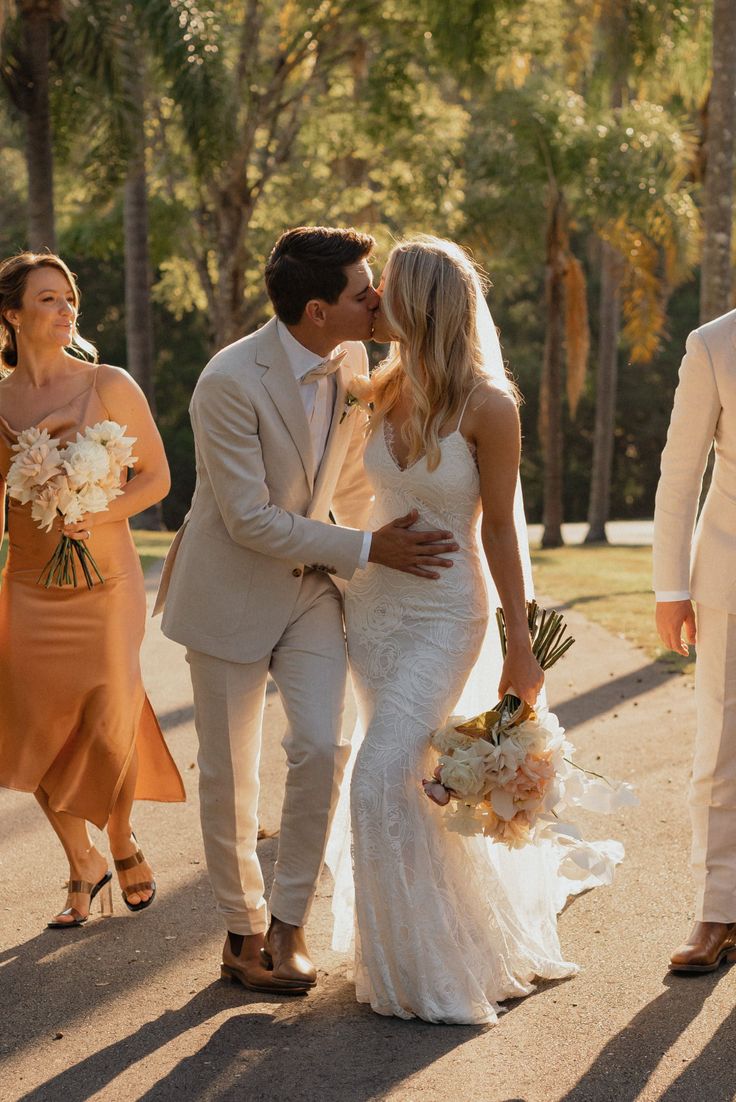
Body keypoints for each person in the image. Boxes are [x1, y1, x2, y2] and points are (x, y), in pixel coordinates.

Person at [155, 226, 459, 995]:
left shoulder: (353, 355)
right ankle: (241, 931)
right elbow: (250, 518)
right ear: (318, 310)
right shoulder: (227, 381)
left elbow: (348, 481)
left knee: (322, 747)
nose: (378, 300)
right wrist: (368, 549)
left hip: (312, 590)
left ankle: (290, 924)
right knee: (230, 775)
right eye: (365, 293)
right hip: (228, 592)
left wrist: (371, 557)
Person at [329, 236, 620, 1025]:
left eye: (385, 289)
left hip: (443, 616)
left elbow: (499, 531)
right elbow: (349, 496)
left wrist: (519, 642)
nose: (373, 302)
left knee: (381, 775)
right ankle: (410, 943)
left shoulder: (490, 405)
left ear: (422, 303)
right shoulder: (377, 389)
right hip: (375, 614)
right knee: (412, 782)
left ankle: (430, 970)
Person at [0, 251, 185, 929]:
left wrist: (96, 510)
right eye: (47, 299)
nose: (65, 309)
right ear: (11, 315)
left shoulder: (108, 383)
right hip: (28, 582)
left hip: (106, 579)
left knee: (109, 715)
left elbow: (156, 478)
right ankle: (82, 861)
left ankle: (123, 836)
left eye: (69, 298)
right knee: (40, 724)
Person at [654, 308, 736, 973]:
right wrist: (669, 589)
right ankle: (717, 908)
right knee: (723, 749)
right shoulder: (713, 344)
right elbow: (679, 478)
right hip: (729, 580)